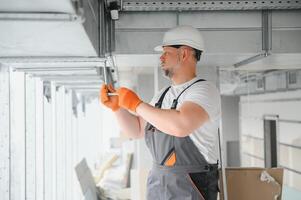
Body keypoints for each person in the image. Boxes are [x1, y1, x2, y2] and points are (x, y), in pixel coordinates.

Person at [100, 25, 221, 200]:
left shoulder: (204, 91)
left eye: (166, 52)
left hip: (191, 187)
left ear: (184, 54)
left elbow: (181, 125)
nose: (161, 57)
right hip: (158, 186)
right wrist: (117, 108)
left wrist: (137, 105)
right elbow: (137, 129)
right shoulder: (162, 95)